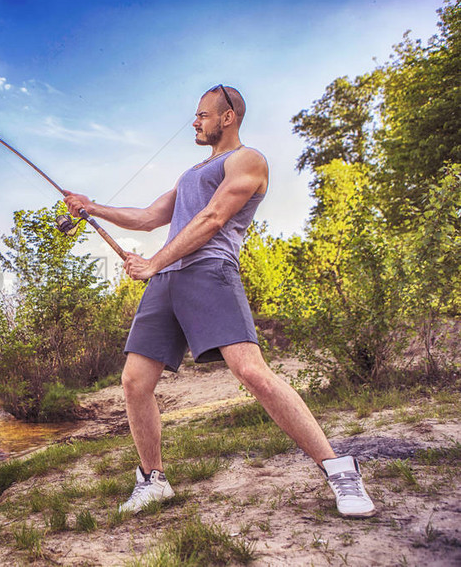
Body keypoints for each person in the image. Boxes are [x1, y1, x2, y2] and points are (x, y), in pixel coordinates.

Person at [63, 85, 375, 518]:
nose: (195, 121)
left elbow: (212, 220)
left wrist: (152, 262)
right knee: (135, 381)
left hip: (209, 272)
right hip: (166, 281)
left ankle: (340, 469)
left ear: (227, 118)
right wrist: (90, 207)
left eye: (202, 114)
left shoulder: (247, 160)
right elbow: (150, 218)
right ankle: (154, 480)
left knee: (251, 372)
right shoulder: (192, 172)